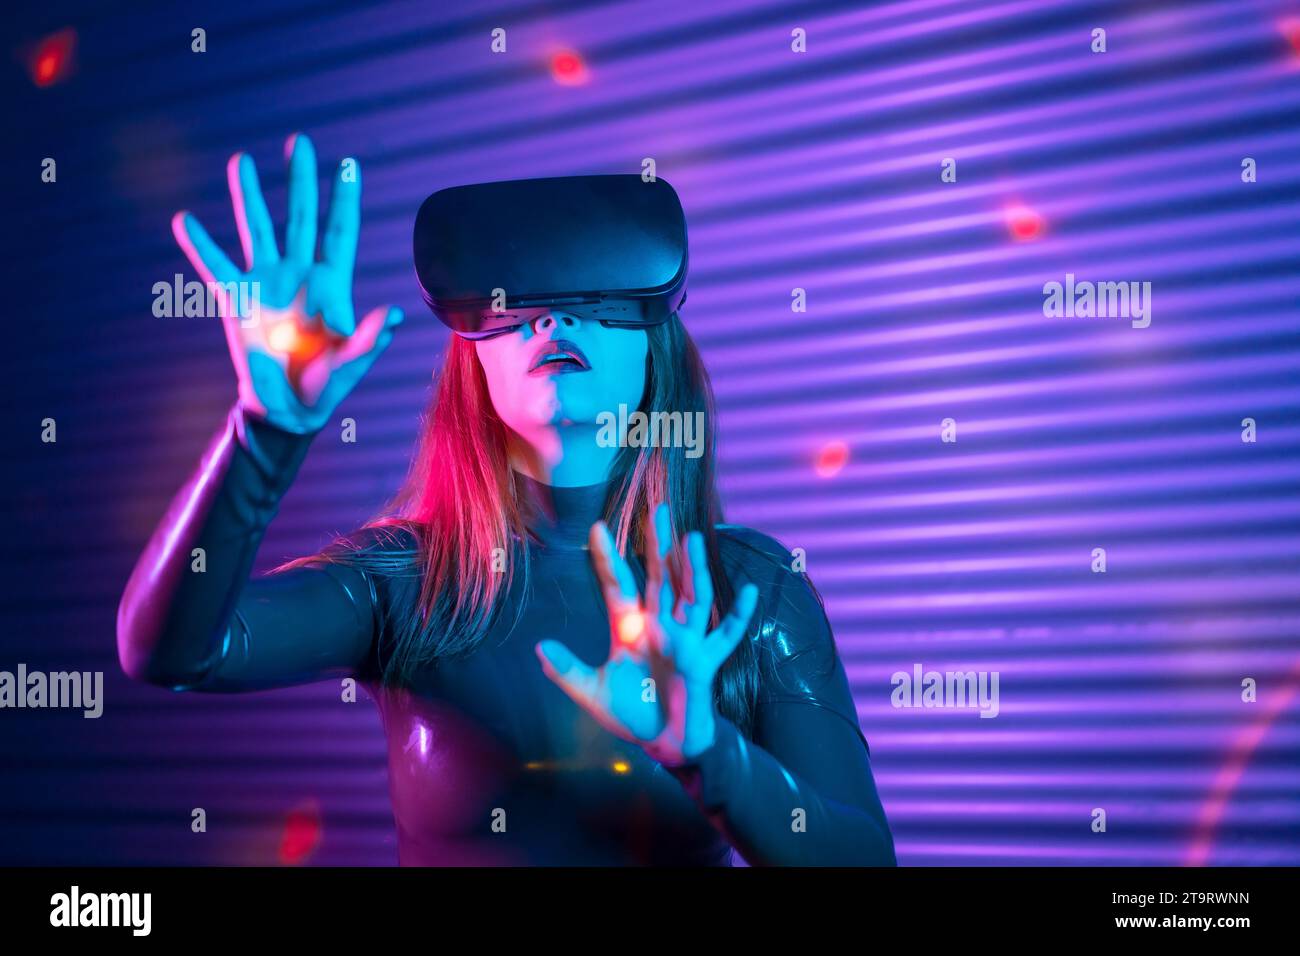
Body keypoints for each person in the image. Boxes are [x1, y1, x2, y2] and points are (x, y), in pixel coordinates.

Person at [117, 132, 897, 866]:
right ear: (471, 363)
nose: (554, 318)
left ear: (655, 340)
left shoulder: (750, 594)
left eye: (596, 296)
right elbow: (168, 651)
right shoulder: (403, 582)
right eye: (515, 305)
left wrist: (710, 755)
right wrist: (262, 435)